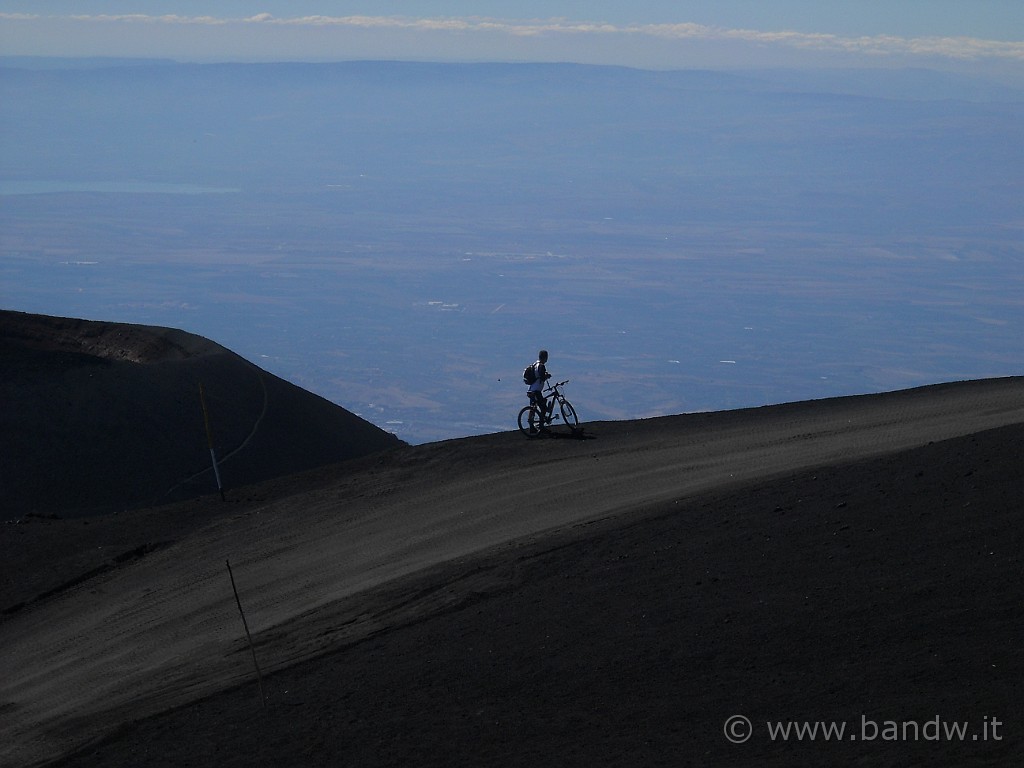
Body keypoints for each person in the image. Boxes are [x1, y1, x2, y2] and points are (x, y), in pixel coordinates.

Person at [526, 349, 552, 432]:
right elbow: (541, 377)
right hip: (536, 391)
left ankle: (532, 427)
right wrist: (547, 376)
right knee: (543, 408)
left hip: (531, 389)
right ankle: (541, 426)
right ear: (545, 357)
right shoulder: (541, 366)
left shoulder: (535, 364)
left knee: (533, 408)